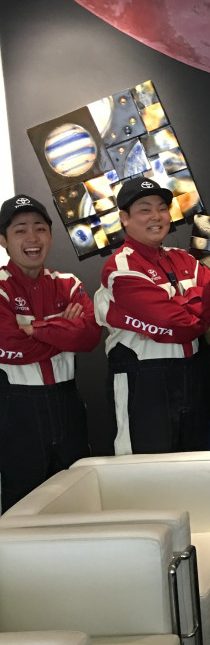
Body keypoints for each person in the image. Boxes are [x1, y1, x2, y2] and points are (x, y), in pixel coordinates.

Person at [95, 176, 210, 455]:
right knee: (145, 470)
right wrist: (193, 302)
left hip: (190, 374)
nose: (157, 216)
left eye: (162, 208)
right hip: (143, 379)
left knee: (193, 465)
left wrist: (181, 304)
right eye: (145, 209)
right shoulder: (120, 267)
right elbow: (176, 323)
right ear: (124, 218)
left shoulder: (183, 258)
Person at [0, 192, 100, 511]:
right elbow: (8, 343)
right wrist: (62, 328)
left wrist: (34, 327)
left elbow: (89, 336)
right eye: (20, 230)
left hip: (66, 402)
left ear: (51, 236)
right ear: (3, 240)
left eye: (40, 228)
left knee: (77, 498)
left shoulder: (68, 283)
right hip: (17, 408)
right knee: (21, 505)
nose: (32, 237)